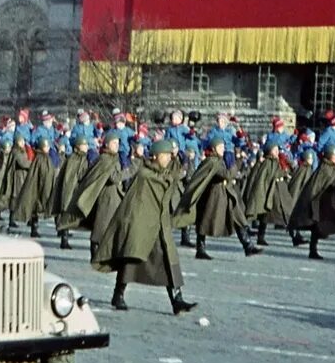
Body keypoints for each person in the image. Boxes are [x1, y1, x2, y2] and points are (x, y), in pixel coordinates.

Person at [92, 139, 198, 315]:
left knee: (167, 260)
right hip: (141, 224)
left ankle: (177, 300)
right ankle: (118, 294)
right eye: (164, 155)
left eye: (168, 156)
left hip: (159, 225)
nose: (167, 159)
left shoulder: (164, 172)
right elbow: (161, 181)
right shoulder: (144, 174)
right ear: (155, 156)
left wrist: (185, 159)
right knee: (131, 259)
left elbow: (175, 176)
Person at [175, 135, 262, 260]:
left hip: (225, 193)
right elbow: (226, 175)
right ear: (214, 149)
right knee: (204, 222)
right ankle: (201, 249)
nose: (223, 149)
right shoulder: (212, 161)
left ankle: (248, 245)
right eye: (220, 147)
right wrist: (232, 164)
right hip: (214, 197)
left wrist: (236, 161)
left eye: (223, 146)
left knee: (237, 217)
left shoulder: (218, 160)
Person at [64, 131, 126, 257]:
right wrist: (131, 170)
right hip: (106, 197)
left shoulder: (113, 158)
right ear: (107, 144)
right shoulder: (105, 159)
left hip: (114, 196)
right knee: (101, 225)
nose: (117, 145)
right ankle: (95, 249)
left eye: (118, 143)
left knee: (111, 225)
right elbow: (113, 178)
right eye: (114, 143)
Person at [49, 132, 92, 250]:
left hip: (71, 190)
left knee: (67, 215)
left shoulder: (76, 158)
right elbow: (78, 176)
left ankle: (64, 237)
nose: (87, 146)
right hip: (72, 191)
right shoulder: (77, 159)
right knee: (66, 214)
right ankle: (64, 239)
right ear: (79, 146)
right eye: (85, 144)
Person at [12, 137, 56, 238]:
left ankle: (34, 228)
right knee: (35, 208)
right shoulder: (41, 159)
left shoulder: (44, 158)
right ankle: (34, 229)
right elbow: (43, 175)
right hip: (38, 187)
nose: (48, 148)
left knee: (35, 208)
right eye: (46, 146)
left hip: (40, 187)